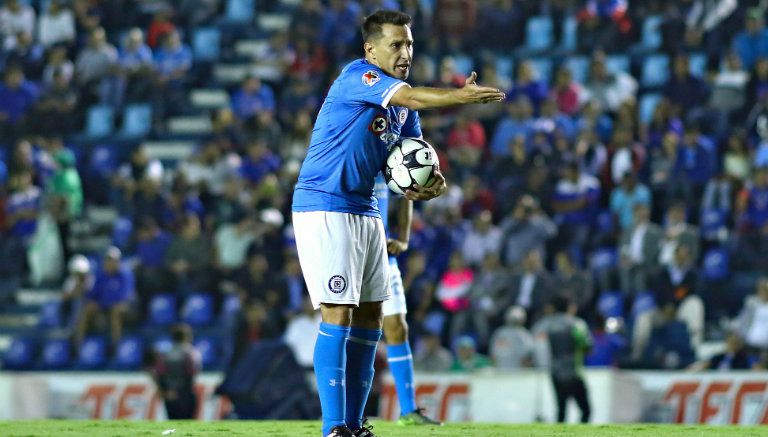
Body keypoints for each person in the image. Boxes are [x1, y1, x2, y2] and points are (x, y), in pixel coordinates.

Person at [291, 9, 504, 437]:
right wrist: (460, 98)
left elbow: (410, 159)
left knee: (371, 315)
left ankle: (354, 423)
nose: (405, 52)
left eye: (409, 44)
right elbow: (412, 97)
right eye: (395, 44)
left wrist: (429, 184)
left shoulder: (403, 109)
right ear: (371, 49)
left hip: (367, 210)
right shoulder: (358, 76)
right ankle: (333, 428)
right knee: (339, 310)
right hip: (325, 205)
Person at [374, 175, 440, 426]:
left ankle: (409, 410)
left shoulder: (389, 153)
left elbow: (406, 194)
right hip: (354, 254)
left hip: (385, 258)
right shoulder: (351, 151)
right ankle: (341, 414)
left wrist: (403, 237)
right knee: (351, 329)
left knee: (397, 328)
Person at [533, 295, 592, 424]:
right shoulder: (576, 324)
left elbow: (537, 345)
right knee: (586, 410)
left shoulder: (544, 324)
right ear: (569, 307)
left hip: (555, 371)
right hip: (574, 371)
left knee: (561, 410)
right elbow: (586, 345)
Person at [149, 323, 201, 419]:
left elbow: (157, 373)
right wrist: (180, 392)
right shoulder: (191, 353)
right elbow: (192, 373)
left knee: (173, 424)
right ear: (187, 337)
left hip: (169, 394)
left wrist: (164, 391)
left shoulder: (164, 354)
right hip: (185, 394)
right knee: (188, 425)